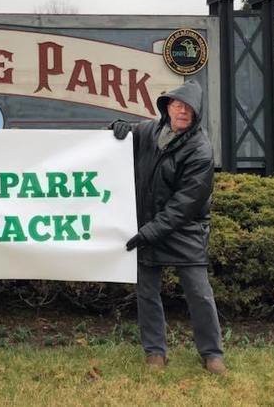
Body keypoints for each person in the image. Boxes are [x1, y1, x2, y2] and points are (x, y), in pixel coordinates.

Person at [110, 79, 227, 375]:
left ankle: (212, 354)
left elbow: (185, 205)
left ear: (196, 113)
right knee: (147, 292)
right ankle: (155, 352)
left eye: (189, 107)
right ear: (167, 107)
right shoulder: (148, 131)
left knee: (199, 294)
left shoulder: (201, 149)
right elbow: (116, 142)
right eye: (177, 105)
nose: (182, 111)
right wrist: (116, 129)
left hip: (184, 231)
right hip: (147, 226)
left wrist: (148, 232)